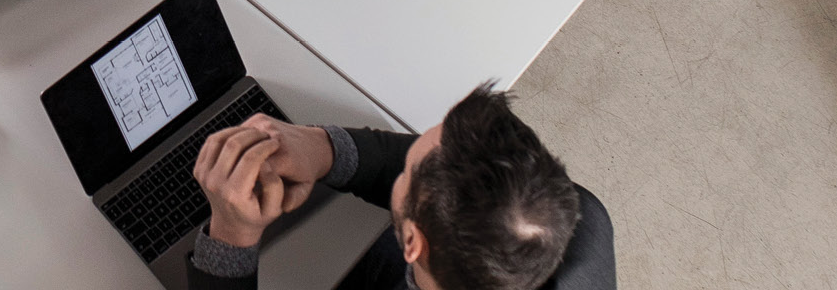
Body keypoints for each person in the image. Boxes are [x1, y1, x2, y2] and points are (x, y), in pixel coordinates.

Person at [187, 84, 614, 290]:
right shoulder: (578, 219)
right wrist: (324, 150)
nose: (402, 162)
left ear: (412, 241)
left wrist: (232, 236)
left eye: (405, 172)